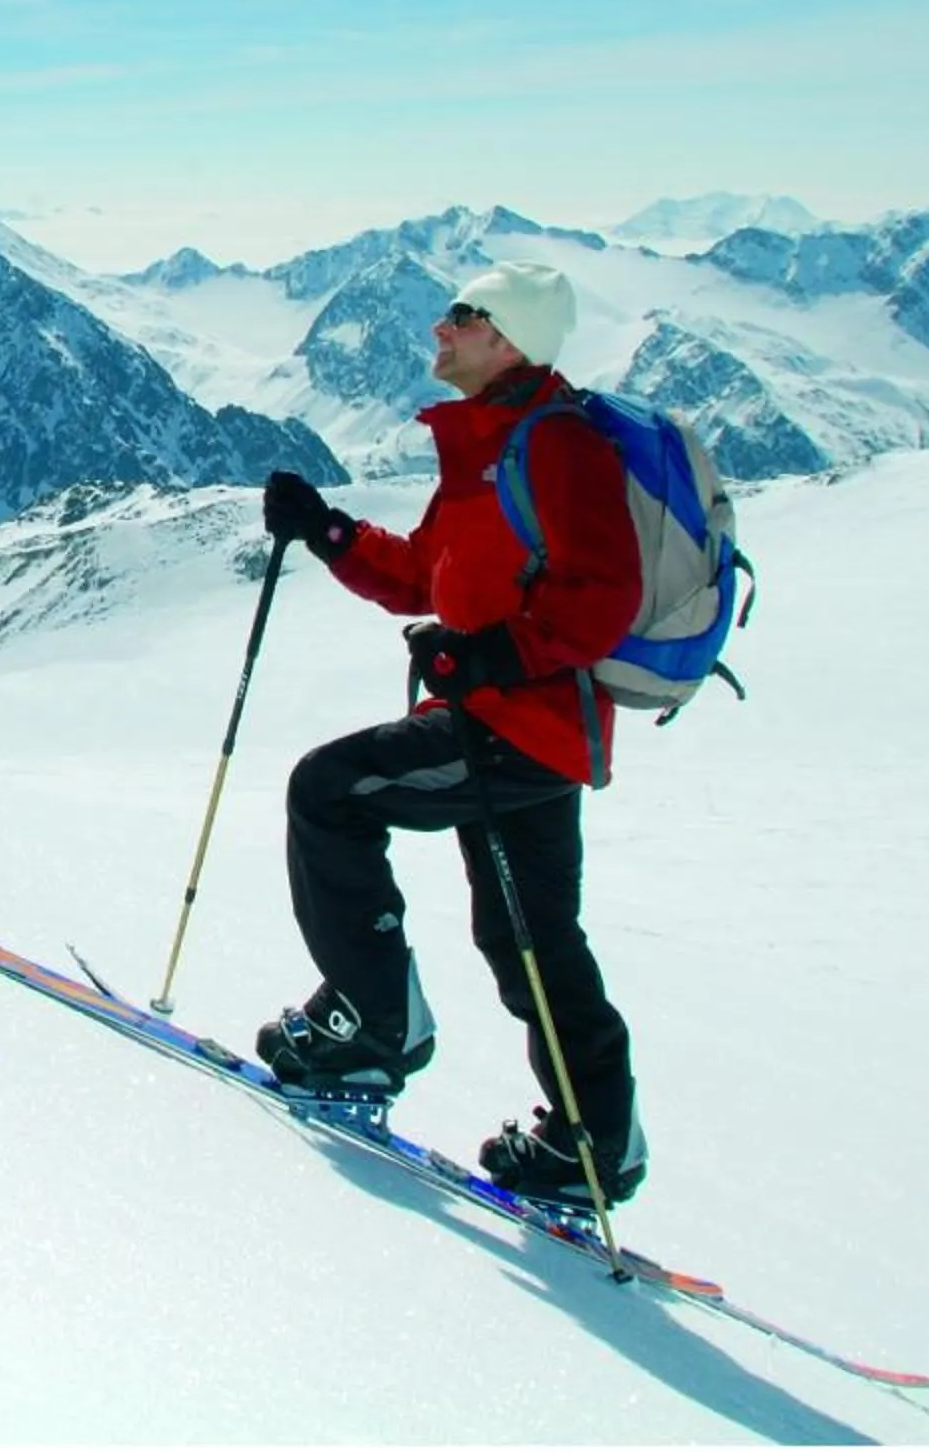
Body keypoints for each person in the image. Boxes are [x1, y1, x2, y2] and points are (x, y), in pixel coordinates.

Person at [255, 260, 651, 1207]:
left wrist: (491, 657)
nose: (441, 326)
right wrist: (328, 532)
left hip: (513, 726)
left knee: (330, 791)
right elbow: (424, 577)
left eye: (463, 315)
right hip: (517, 726)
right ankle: (594, 1141)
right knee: (529, 938)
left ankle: (373, 1027)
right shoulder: (488, 444)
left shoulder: (556, 444)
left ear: (508, 339)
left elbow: (604, 596)